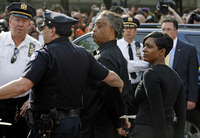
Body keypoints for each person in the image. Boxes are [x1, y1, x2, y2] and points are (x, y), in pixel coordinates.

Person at [0, 9, 124, 138]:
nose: (42, 32)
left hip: (49, 127)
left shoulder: (45, 54)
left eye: (44, 29)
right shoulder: (83, 53)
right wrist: (120, 84)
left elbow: (23, 86)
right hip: (73, 125)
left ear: (52, 30)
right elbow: (112, 77)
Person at [80, 10, 132, 138]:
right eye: (94, 25)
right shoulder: (113, 52)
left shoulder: (105, 57)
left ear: (112, 30)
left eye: (99, 25)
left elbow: (111, 93)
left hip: (99, 126)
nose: (93, 29)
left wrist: (118, 122)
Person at [133, 31, 186, 138]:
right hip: (168, 130)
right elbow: (181, 114)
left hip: (148, 131)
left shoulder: (151, 74)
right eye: (144, 46)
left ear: (162, 51)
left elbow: (157, 111)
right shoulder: (175, 76)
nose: (143, 49)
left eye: (149, 46)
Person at [0, 2, 41, 138]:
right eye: (17, 20)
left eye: (25, 21)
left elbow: (42, 78)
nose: (20, 24)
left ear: (30, 25)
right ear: (10, 21)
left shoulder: (36, 47)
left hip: (22, 106)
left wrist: (31, 100)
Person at [117, 17, 149, 135]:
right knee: (124, 114)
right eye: (126, 28)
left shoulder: (140, 46)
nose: (128, 31)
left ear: (136, 31)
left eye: (132, 28)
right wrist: (137, 64)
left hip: (138, 86)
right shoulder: (117, 46)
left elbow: (146, 64)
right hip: (123, 86)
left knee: (136, 115)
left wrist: (129, 64)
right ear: (122, 30)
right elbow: (121, 66)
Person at [161, 19, 199, 110]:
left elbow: (193, 76)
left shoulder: (188, 49)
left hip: (181, 96)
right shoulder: (156, 48)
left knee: (179, 123)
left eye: (168, 29)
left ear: (176, 31)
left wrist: (192, 98)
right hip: (160, 95)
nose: (165, 32)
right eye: (163, 29)